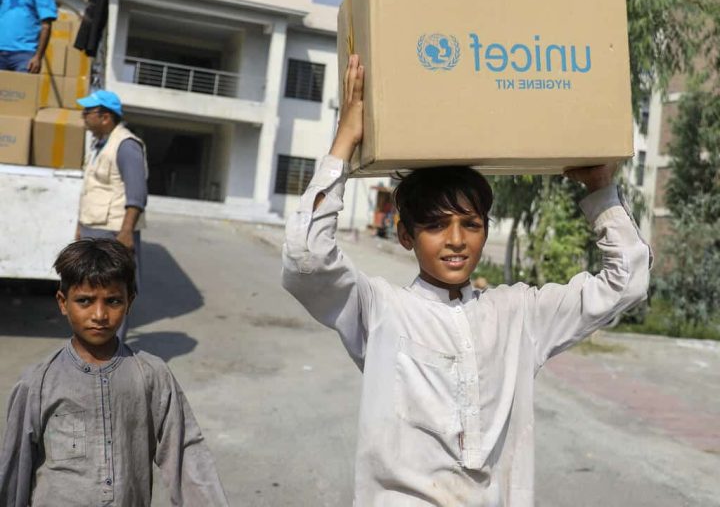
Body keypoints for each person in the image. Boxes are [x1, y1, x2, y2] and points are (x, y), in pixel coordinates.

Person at [282, 54, 652, 506]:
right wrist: (343, 142)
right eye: (437, 226)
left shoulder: (519, 314)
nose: (456, 241)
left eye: (470, 224)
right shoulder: (380, 310)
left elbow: (628, 280)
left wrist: (600, 191)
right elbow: (307, 258)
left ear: (486, 230)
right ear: (405, 235)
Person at [0, 238, 229, 507]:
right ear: (63, 303)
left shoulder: (151, 374)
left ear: (129, 302)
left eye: (113, 301)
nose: (99, 314)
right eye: (84, 301)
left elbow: (186, 453)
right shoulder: (38, 383)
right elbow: (15, 468)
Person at [75, 90, 147, 342]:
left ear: (106, 117)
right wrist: (79, 228)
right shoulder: (99, 145)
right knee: (90, 291)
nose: (84, 117)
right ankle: (94, 349)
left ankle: (113, 354)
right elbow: (90, 191)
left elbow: (137, 193)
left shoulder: (126, 146)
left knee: (113, 293)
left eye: (88, 112)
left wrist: (126, 232)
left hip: (113, 232)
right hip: (93, 229)